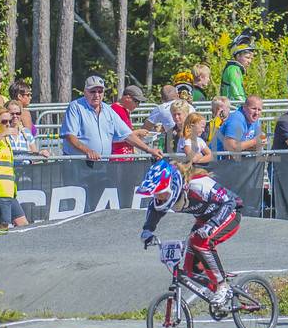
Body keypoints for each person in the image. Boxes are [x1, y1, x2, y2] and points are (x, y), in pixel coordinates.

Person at [137, 159, 242, 302]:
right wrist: (147, 231)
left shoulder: (198, 185)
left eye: (160, 193)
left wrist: (213, 223)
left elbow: (230, 201)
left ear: (173, 185)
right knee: (189, 270)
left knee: (199, 242)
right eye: (155, 194)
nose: (158, 197)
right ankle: (223, 294)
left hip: (228, 214)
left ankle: (222, 286)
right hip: (204, 220)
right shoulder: (164, 198)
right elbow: (154, 211)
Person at [62, 74, 139, 161]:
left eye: (100, 91)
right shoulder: (75, 107)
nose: (97, 95)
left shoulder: (108, 110)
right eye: (93, 91)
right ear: (85, 92)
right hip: (79, 164)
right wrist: (88, 151)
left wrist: (149, 150)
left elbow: (127, 135)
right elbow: (70, 136)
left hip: (102, 164)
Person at [110, 84, 148, 157]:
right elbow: (115, 136)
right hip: (117, 157)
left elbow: (126, 133)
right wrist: (137, 132)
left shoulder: (124, 110)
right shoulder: (115, 110)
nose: (138, 105)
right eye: (136, 101)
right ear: (127, 98)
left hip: (125, 156)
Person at [220, 36, 257, 101]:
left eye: (251, 59)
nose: (250, 61)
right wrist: (245, 106)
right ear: (238, 56)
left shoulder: (235, 68)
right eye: (247, 57)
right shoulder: (233, 69)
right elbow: (237, 93)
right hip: (232, 108)